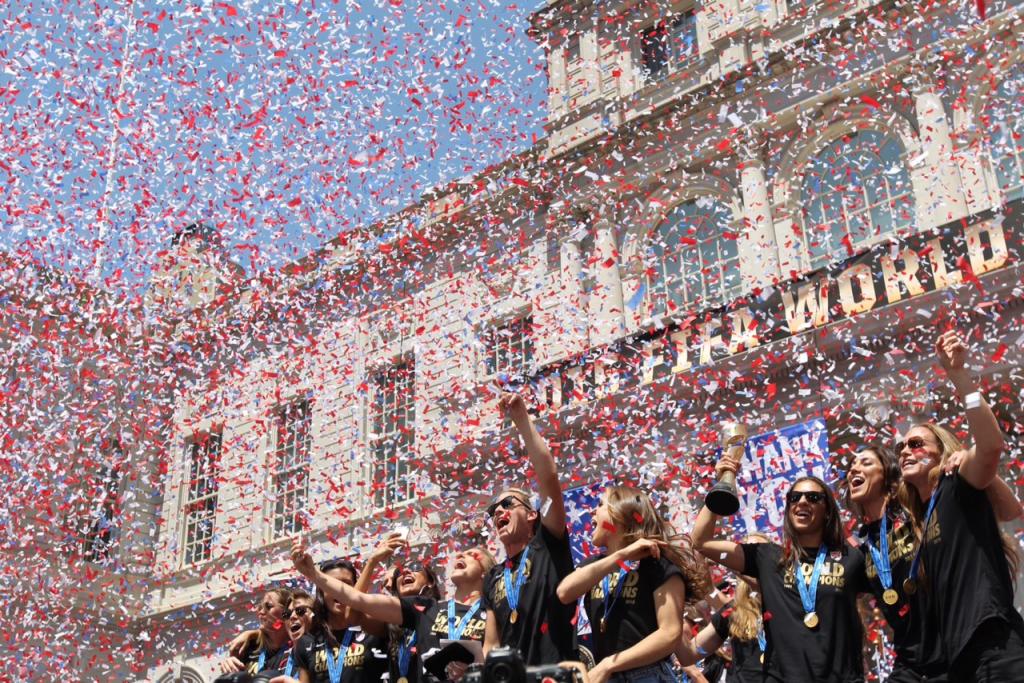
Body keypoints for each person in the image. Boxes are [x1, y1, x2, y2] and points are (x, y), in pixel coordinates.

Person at [894, 330, 1024, 681]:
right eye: (901, 448)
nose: (906, 451)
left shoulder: (954, 483)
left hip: (993, 646)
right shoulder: (919, 520)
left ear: (941, 450)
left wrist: (959, 377)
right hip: (959, 661)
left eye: (917, 443)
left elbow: (991, 444)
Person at [691, 474, 867, 682]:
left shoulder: (851, 557)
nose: (802, 501)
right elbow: (701, 541)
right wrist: (724, 482)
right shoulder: (768, 557)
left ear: (827, 510)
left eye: (812, 497)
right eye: (795, 497)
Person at [556, 485, 709, 682]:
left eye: (601, 504)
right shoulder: (596, 566)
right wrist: (622, 555)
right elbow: (564, 592)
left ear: (621, 514)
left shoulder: (657, 565)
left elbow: (669, 634)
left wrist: (609, 664)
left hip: (647, 675)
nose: (593, 510)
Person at [291, 536, 476, 682]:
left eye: (414, 567)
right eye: (397, 572)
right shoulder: (390, 625)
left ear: (431, 580)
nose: (404, 572)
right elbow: (353, 613)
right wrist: (373, 561)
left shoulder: (443, 613)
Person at [480, 392, 577, 665]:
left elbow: (548, 476)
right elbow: (491, 643)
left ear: (533, 514)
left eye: (508, 503)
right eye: (493, 510)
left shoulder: (548, 544)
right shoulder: (493, 576)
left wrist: (521, 419)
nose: (498, 511)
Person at [682, 533, 778, 682]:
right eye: (746, 554)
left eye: (758, 554)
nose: (752, 562)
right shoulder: (733, 611)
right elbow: (687, 653)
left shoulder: (791, 603)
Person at [218, 588, 294, 677]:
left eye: (268, 606)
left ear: (286, 612)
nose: (261, 612)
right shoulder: (249, 649)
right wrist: (229, 666)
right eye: (260, 607)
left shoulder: (301, 650)